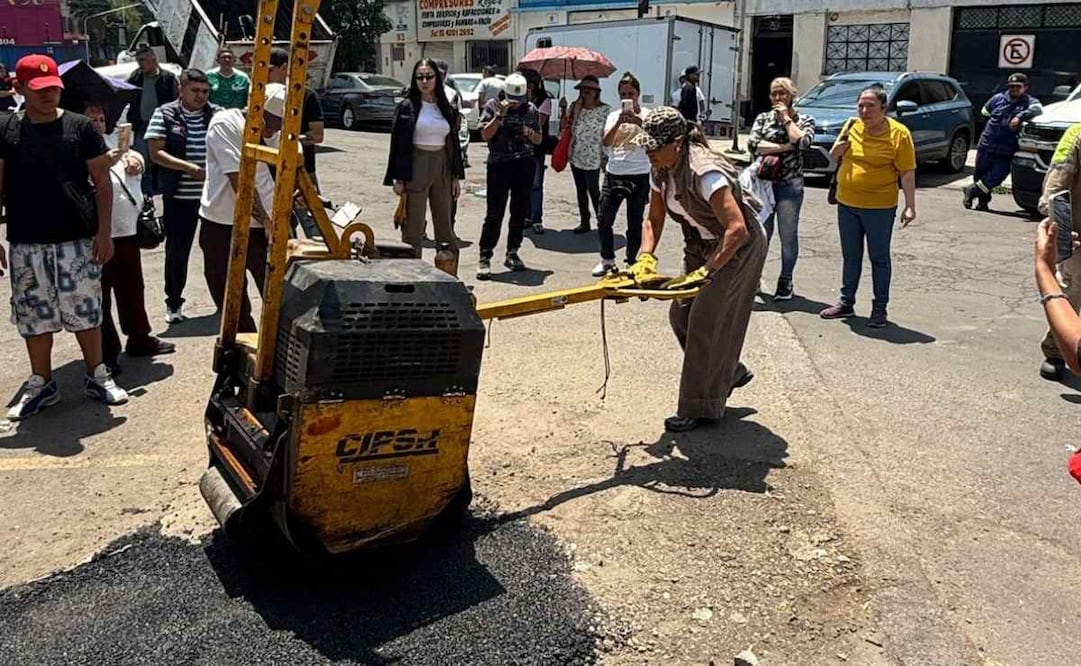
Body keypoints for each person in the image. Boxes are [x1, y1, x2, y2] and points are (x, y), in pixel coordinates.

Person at [1, 55, 128, 420]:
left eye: (53, 88)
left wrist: (105, 233)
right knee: (33, 316)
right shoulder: (6, 128)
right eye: (39, 90)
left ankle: (97, 375)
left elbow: (102, 182)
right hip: (27, 241)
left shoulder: (80, 127)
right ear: (19, 88)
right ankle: (42, 383)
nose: (48, 95)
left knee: (86, 311)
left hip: (77, 239)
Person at [628, 106, 766, 432]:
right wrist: (645, 257)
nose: (648, 152)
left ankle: (698, 406)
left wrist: (707, 272)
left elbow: (736, 229)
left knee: (705, 321)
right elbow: (654, 218)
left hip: (736, 248)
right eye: (646, 145)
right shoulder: (661, 169)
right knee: (681, 316)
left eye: (654, 146)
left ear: (677, 143)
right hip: (700, 244)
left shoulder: (704, 172)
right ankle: (728, 371)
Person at [83, 101, 176, 373]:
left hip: (127, 231)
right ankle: (106, 353)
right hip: (98, 234)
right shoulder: (76, 148)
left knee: (133, 289)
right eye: (91, 120)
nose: (98, 125)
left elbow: (135, 157)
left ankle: (139, 337)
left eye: (101, 119)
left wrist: (136, 161)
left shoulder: (114, 142)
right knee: (100, 296)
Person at [820, 85, 916, 328]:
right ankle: (846, 302)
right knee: (851, 256)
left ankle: (879, 308)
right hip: (847, 203)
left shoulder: (899, 134)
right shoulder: (852, 125)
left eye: (870, 106)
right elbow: (834, 154)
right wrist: (837, 150)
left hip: (879, 207)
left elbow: (906, 172)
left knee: (879, 258)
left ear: (883, 108)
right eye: (861, 105)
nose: (864, 111)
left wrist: (910, 206)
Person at [199, 83, 287, 333]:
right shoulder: (225, 124)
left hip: (266, 229)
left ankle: (278, 349)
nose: (272, 131)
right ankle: (240, 347)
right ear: (255, 110)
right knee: (231, 300)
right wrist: (267, 221)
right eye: (269, 124)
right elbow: (242, 183)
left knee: (280, 297)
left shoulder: (277, 132)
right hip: (223, 225)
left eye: (277, 125)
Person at [145, 68, 219, 324]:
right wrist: (188, 168)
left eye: (205, 91)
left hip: (213, 197)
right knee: (178, 251)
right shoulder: (165, 113)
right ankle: (174, 302)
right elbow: (155, 152)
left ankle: (226, 302)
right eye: (195, 90)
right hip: (179, 196)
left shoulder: (216, 113)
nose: (201, 96)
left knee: (218, 251)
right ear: (181, 89)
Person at [383, 59, 464, 259]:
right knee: (413, 226)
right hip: (416, 165)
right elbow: (398, 144)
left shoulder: (445, 106)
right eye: (420, 77)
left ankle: (447, 270)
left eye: (429, 76)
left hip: (442, 165)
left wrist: (455, 177)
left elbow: (453, 143)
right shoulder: (407, 106)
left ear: (437, 78)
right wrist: (398, 179)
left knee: (445, 225)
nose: (425, 81)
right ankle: (412, 272)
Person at [747, 77, 816, 300]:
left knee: (788, 235)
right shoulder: (763, 118)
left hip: (789, 186)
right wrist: (786, 146)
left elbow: (803, 142)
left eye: (782, 93)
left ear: (792, 95)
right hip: (763, 186)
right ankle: (754, 278)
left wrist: (786, 119)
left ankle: (786, 280)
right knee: (760, 235)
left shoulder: (804, 119)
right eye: (774, 93)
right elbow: (754, 145)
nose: (777, 97)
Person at [476, 72, 542, 279]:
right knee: (494, 213)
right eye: (512, 100)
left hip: (524, 163)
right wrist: (499, 116)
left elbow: (539, 139)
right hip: (499, 164)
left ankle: (513, 252)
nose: (515, 104)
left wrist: (528, 132)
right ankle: (485, 256)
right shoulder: (492, 106)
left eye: (519, 100)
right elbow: (484, 134)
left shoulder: (531, 110)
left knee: (519, 211)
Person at [591, 72, 652, 277]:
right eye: (623, 94)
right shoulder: (613, 116)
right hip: (614, 172)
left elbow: (654, 141)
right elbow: (606, 142)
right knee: (603, 219)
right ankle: (607, 260)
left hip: (639, 173)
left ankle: (632, 260)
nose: (627, 97)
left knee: (634, 222)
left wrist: (638, 122)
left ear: (638, 94)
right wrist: (618, 123)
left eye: (631, 94)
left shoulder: (648, 116)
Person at [1037, 122, 1081, 380]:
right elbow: (1055, 188)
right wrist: (1060, 231)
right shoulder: (1076, 135)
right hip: (1078, 236)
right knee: (1071, 292)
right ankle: (1056, 351)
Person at [964, 73, 1042, 212]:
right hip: (987, 143)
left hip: (1007, 148)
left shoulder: (1029, 102)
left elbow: (1038, 109)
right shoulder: (998, 98)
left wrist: (1020, 116)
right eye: (1011, 86)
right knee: (981, 174)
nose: (1014, 89)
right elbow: (985, 111)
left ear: (1025, 87)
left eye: (1018, 86)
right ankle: (982, 202)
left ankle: (973, 190)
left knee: (998, 175)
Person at [125, 45, 179, 194]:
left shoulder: (168, 78)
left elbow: (176, 101)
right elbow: (125, 93)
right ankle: (146, 194)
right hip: (142, 125)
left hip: (162, 126)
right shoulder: (136, 77)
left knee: (162, 159)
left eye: (143, 60)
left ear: (153, 59)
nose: (140, 64)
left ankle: (163, 190)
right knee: (142, 160)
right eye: (138, 61)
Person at [268, 47, 325, 189]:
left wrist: (285, 140)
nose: (264, 75)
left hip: (302, 171)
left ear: (284, 68)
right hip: (266, 170)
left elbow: (317, 135)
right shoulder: (259, 94)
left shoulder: (306, 95)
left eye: (269, 70)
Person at [565, 75, 610, 235]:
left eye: (590, 89)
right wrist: (570, 111)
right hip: (576, 154)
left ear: (596, 92)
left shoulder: (605, 110)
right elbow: (567, 128)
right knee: (581, 190)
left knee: (594, 190)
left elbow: (608, 134)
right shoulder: (575, 107)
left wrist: (606, 156)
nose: (586, 92)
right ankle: (585, 221)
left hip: (594, 157)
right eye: (583, 89)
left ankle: (602, 221)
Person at [521, 69, 551, 235]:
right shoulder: (520, 100)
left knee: (536, 184)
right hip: (521, 148)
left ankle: (536, 218)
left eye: (531, 84)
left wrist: (530, 106)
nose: (529, 87)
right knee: (523, 184)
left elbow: (540, 122)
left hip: (537, 148)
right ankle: (526, 216)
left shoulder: (544, 100)